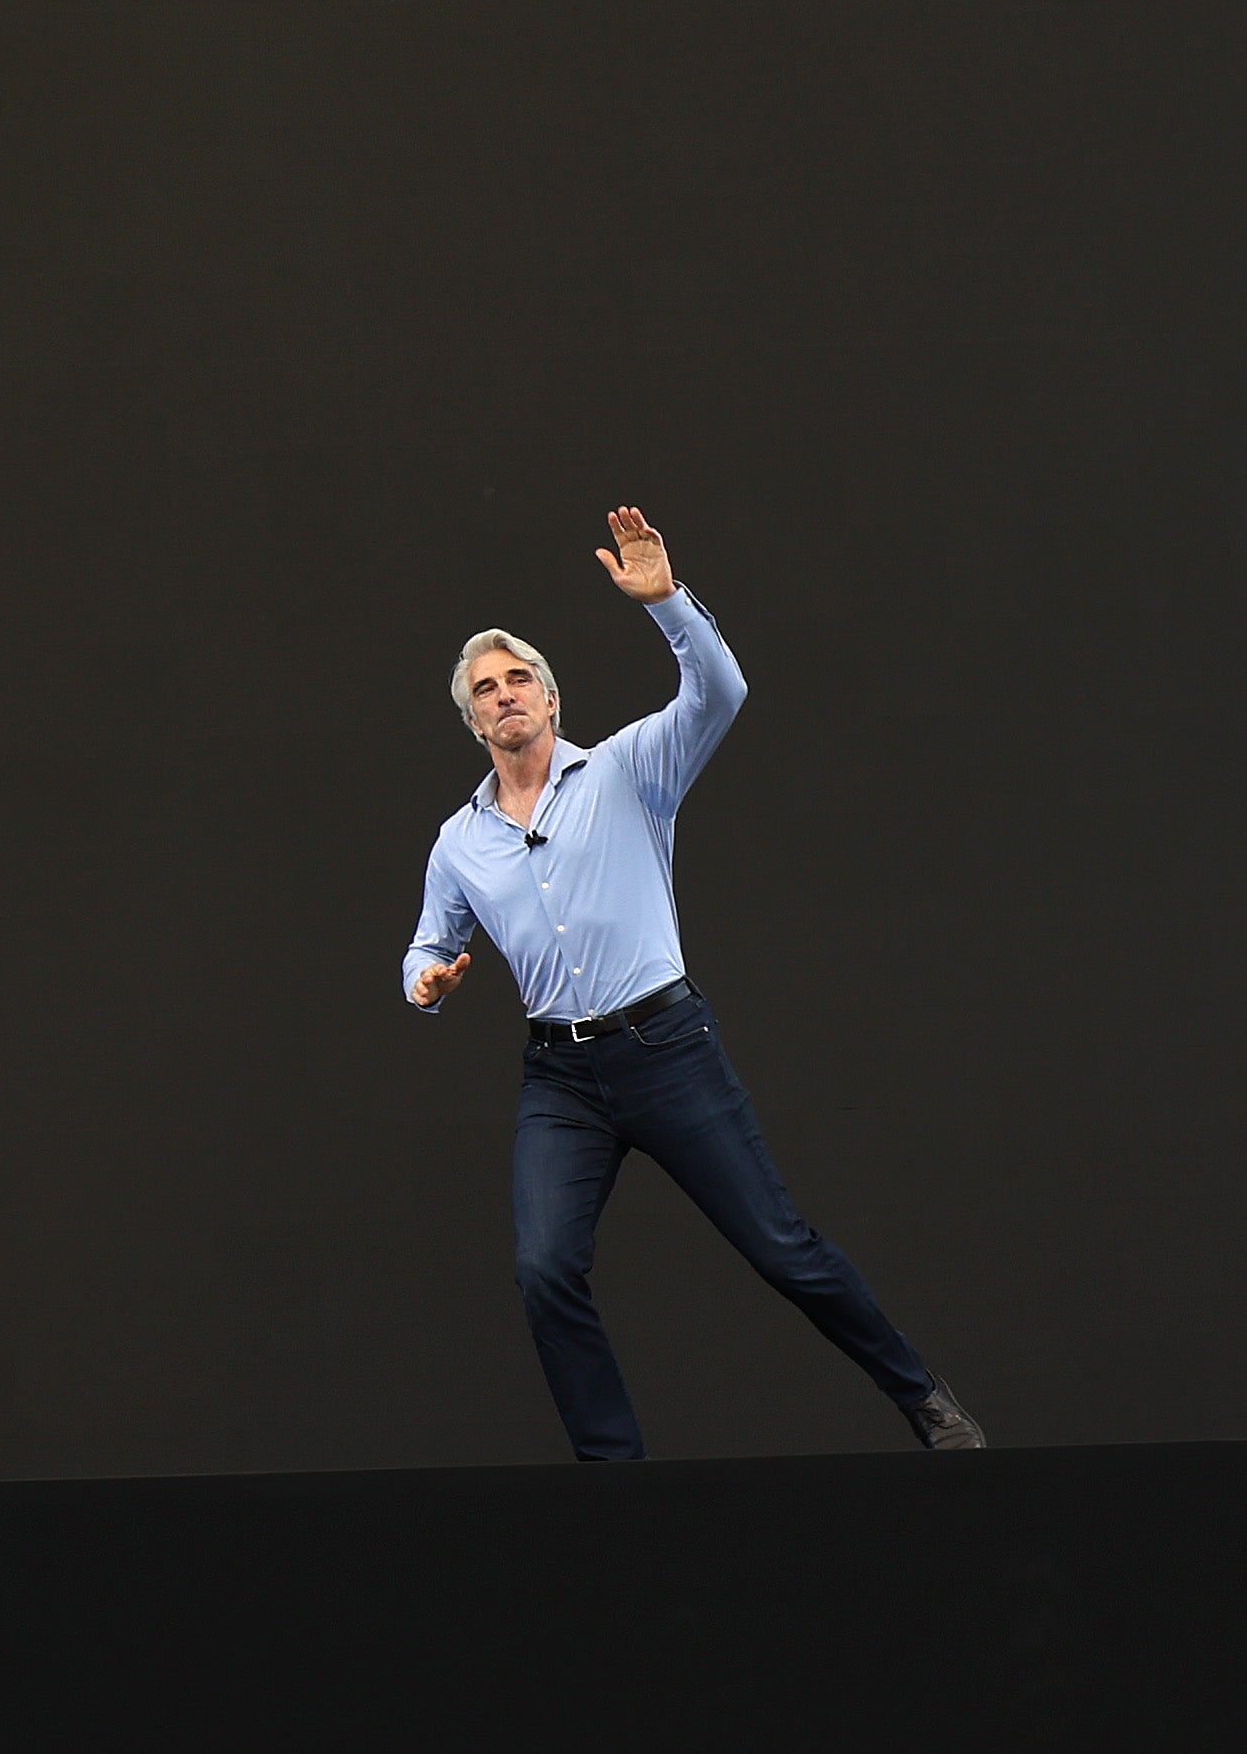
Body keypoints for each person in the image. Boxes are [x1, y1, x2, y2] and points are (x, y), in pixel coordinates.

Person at [402, 508, 980, 1460]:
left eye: (518, 681)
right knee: (544, 1268)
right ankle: (615, 1471)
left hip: (666, 1051)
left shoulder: (629, 770)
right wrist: (427, 981)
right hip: (562, 1081)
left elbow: (719, 691)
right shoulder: (459, 841)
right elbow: (426, 945)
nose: (504, 696)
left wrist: (666, 601)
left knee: (780, 1247)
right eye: (485, 690)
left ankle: (922, 1396)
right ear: (472, 721)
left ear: (550, 700)